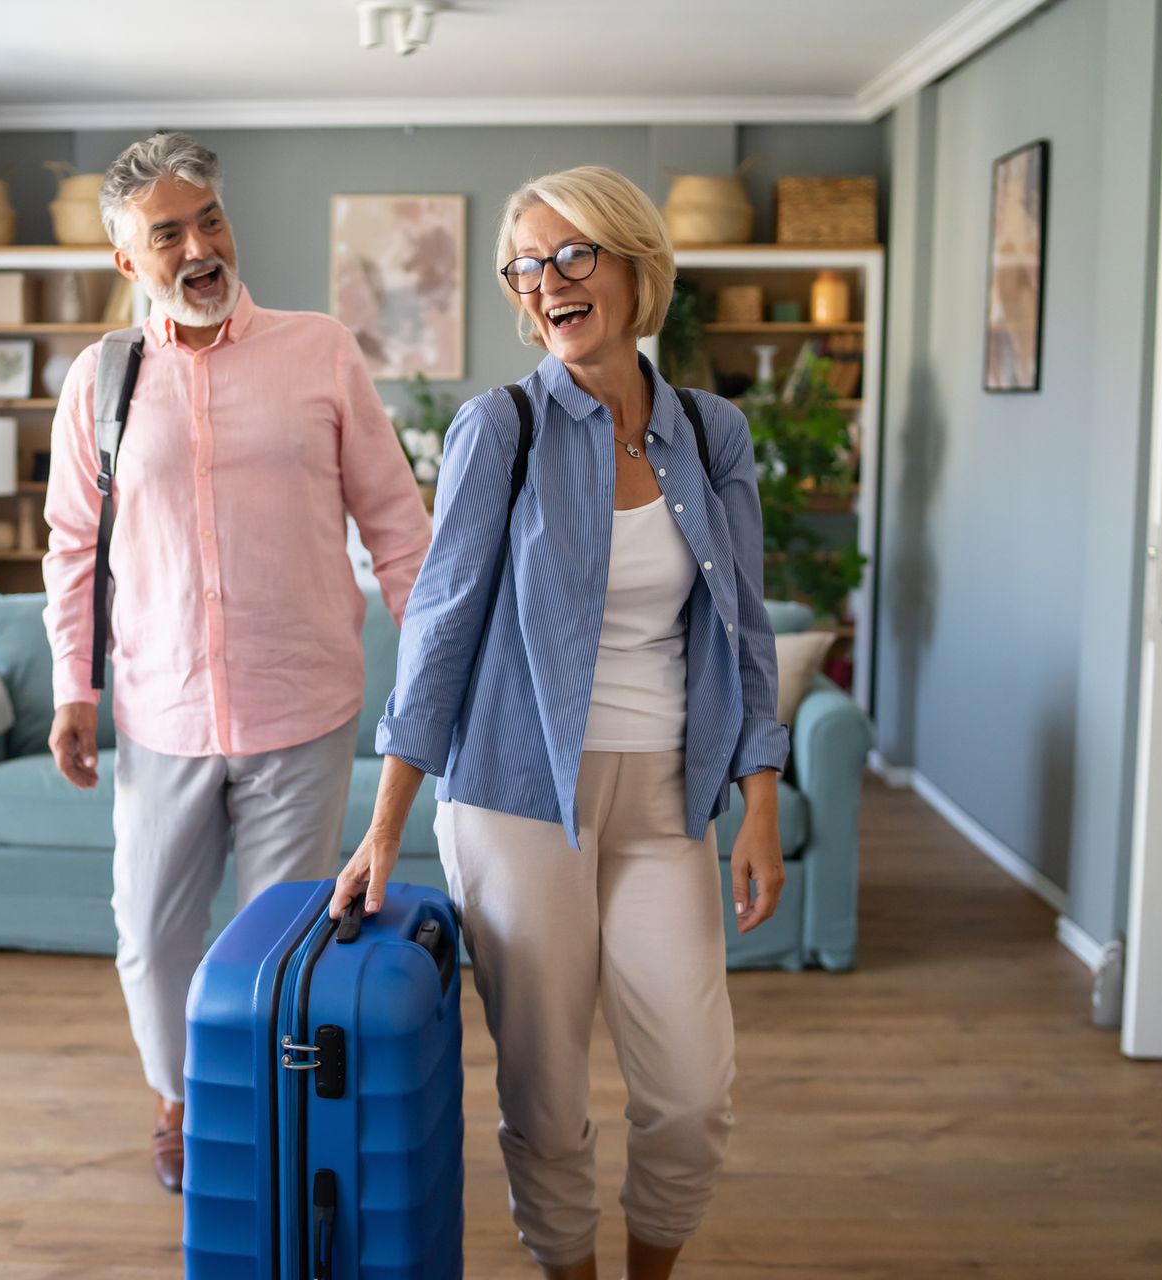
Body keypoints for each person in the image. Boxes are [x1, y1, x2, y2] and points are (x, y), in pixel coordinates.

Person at [333, 165, 789, 1280]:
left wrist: (762, 800)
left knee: (689, 1089)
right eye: (527, 267)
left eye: (573, 254)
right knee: (544, 1094)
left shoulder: (711, 433)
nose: (548, 284)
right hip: (513, 794)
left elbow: (746, 628)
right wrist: (386, 823)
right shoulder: (506, 427)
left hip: (668, 793)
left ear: (639, 265)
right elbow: (437, 628)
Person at [42, 132, 431, 1193]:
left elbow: (397, 523)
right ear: (130, 261)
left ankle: (261, 1110)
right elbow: (73, 543)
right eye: (167, 233)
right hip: (159, 710)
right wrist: (73, 687)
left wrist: (442, 672)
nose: (199, 245)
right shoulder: (102, 379)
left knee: (283, 943)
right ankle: (177, 1097)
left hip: (301, 707)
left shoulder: (319, 350)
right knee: (153, 939)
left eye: (208, 219)